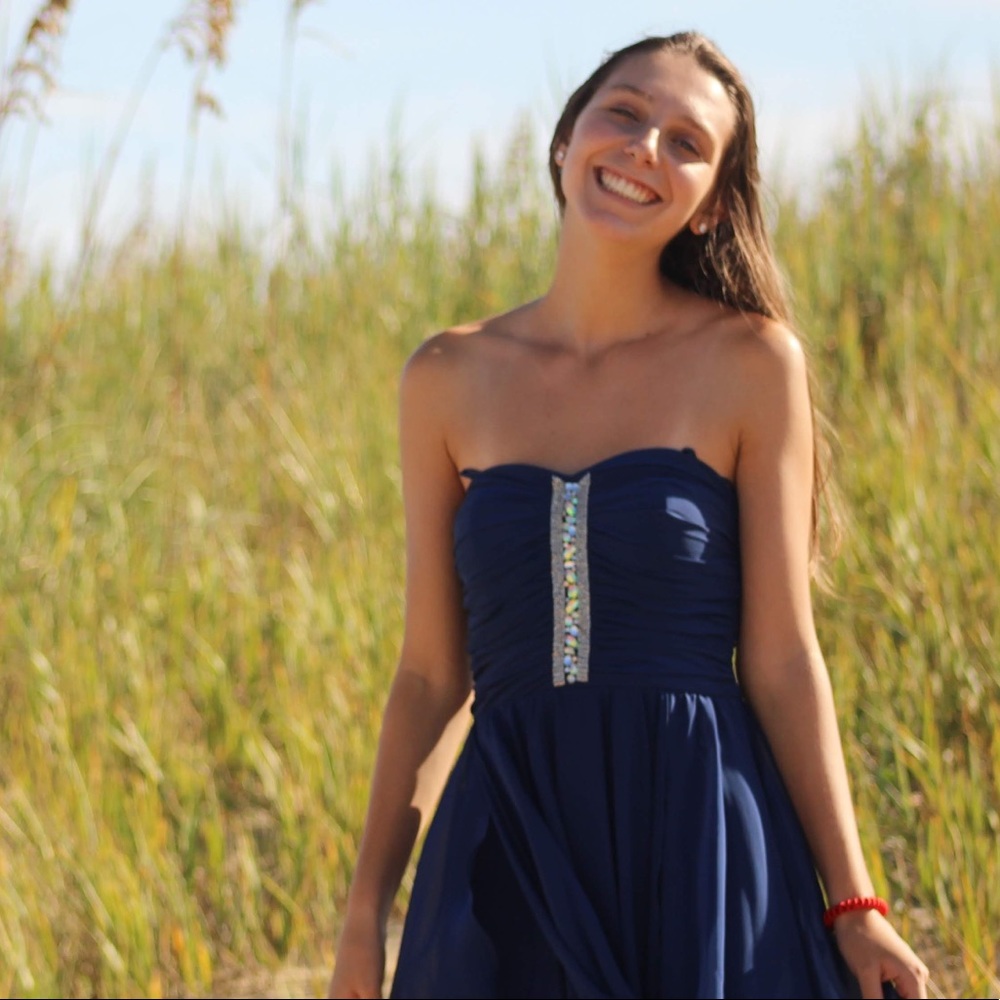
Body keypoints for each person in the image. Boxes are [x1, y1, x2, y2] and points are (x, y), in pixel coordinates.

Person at [327, 31, 930, 1000]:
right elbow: (433, 671)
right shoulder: (446, 375)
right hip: (507, 839)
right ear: (565, 139)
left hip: (696, 834)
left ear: (714, 204)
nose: (646, 146)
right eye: (622, 113)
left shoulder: (751, 360)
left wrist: (855, 906)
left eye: (687, 141)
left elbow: (780, 658)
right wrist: (365, 914)